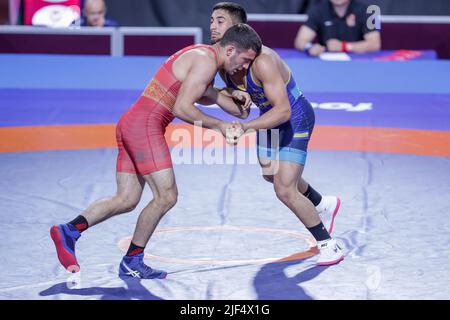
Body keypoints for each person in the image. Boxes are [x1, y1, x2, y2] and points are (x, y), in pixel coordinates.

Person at [50, 23, 262, 279]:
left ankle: (69, 230)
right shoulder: (206, 62)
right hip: (145, 127)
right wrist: (220, 126)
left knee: (126, 199)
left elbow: (209, 95)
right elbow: (182, 108)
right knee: (167, 196)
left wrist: (236, 98)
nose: (245, 68)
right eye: (245, 60)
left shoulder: (201, 55)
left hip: (131, 123)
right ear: (230, 50)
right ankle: (132, 259)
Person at [210, 2, 343, 265]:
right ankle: (322, 203)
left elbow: (282, 111)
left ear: (237, 28)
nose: (213, 26)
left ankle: (329, 244)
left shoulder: (264, 61)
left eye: (220, 21)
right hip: (267, 118)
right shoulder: (221, 58)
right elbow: (238, 107)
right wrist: (230, 95)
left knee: (284, 189)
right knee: (271, 175)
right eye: (212, 20)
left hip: (294, 117)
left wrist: (245, 128)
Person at [294, 0, 381, 56]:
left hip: (360, 62)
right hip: (326, 65)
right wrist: (309, 48)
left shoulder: (371, 10)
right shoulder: (316, 10)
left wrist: (344, 46)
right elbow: (300, 41)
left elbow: (375, 44)